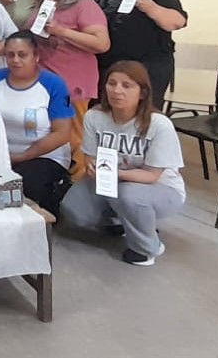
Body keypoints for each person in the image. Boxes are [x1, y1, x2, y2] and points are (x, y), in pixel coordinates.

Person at [61, 60, 185, 266]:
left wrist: (115, 174)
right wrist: (92, 166)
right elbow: (90, 156)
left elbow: (152, 175)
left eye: (127, 85)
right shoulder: (94, 116)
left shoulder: (159, 124)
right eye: (112, 83)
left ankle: (147, 248)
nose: (117, 90)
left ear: (142, 93)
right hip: (111, 180)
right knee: (73, 209)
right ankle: (124, 221)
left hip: (160, 188)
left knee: (128, 195)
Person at [0, 32, 74, 215]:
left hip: (43, 156)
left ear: (36, 56)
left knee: (19, 184)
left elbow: (62, 134)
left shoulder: (53, 84)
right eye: (10, 55)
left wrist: (21, 157)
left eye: (22, 55)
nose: (15, 60)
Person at [30, 0, 110, 181]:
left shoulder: (84, 6)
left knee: (73, 137)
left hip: (72, 82)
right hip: (43, 82)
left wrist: (62, 31)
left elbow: (102, 43)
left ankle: (77, 184)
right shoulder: (44, 4)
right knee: (47, 134)